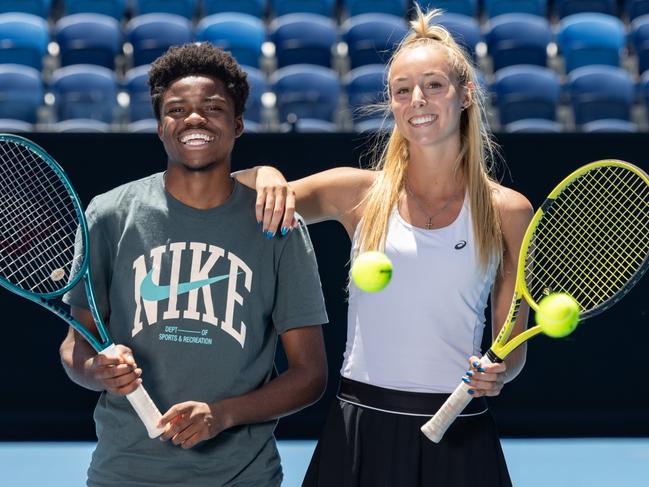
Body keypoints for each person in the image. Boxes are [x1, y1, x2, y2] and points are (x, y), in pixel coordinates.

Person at [235, 7, 533, 486]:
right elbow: (231, 193)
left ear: (466, 95)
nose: (418, 99)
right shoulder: (356, 193)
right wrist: (267, 174)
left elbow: (511, 346)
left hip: (460, 434)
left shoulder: (509, 212)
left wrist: (498, 371)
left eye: (434, 84)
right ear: (392, 104)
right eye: (402, 90)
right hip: (359, 431)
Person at [59, 42, 328, 487]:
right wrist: (95, 371)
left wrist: (222, 415)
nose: (195, 118)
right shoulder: (109, 215)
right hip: (125, 473)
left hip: (242, 476)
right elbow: (75, 348)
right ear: (160, 128)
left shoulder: (279, 225)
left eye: (213, 107)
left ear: (238, 124)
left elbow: (310, 375)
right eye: (177, 109)